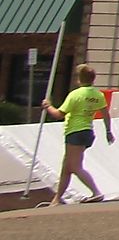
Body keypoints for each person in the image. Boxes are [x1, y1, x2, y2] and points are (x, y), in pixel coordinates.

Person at [43, 65, 113, 205]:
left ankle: (96, 192)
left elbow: (59, 114)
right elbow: (106, 115)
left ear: (79, 79)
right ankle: (56, 199)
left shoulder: (76, 95)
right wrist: (108, 131)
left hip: (75, 131)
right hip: (87, 131)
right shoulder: (97, 95)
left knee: (75, 166)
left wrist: (48, 106)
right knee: (66, 167)